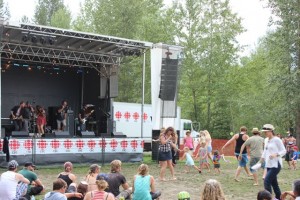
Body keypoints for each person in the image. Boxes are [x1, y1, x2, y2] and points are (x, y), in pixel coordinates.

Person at [260, 124, 286, 200]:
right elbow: (265, 150)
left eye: (266, 132)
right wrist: (262, 158)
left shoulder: (277, 140)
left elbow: (284, 151)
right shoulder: (266, 140)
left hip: (276, 164)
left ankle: (268, 198)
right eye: (264, 132)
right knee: (274, 183)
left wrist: (276, 154)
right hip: (269, 164)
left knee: (266, 181)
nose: (265, 133)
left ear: (271, 131)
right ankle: (279, 198)